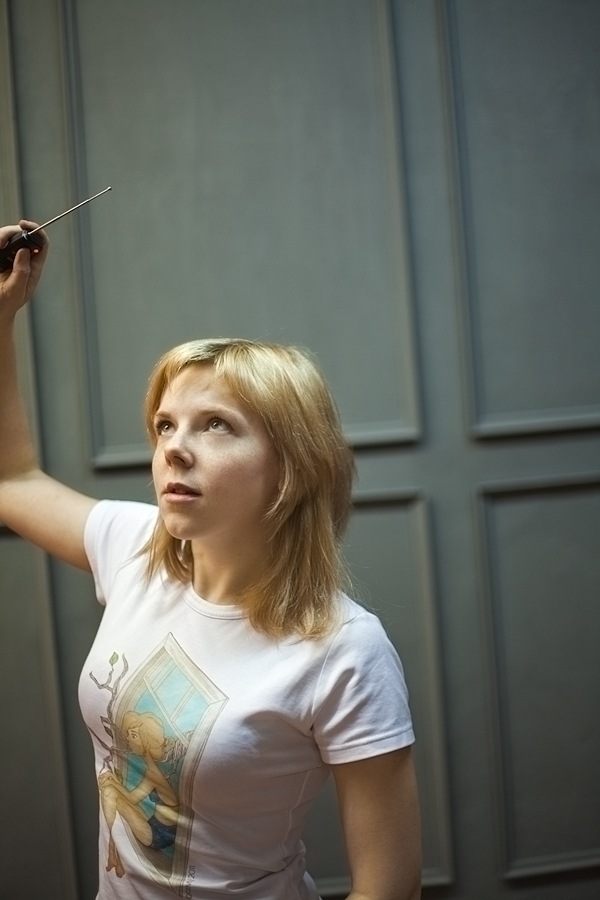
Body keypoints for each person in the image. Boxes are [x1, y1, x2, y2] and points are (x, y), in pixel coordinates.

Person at [0, 221, 422, 900]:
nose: (173, 447)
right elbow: (12, 479)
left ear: (291, 466)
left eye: (216, 424)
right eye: (165, 425)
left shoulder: (344, 651)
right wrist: (1, 317)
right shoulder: (136, 551)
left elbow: (390, 887)